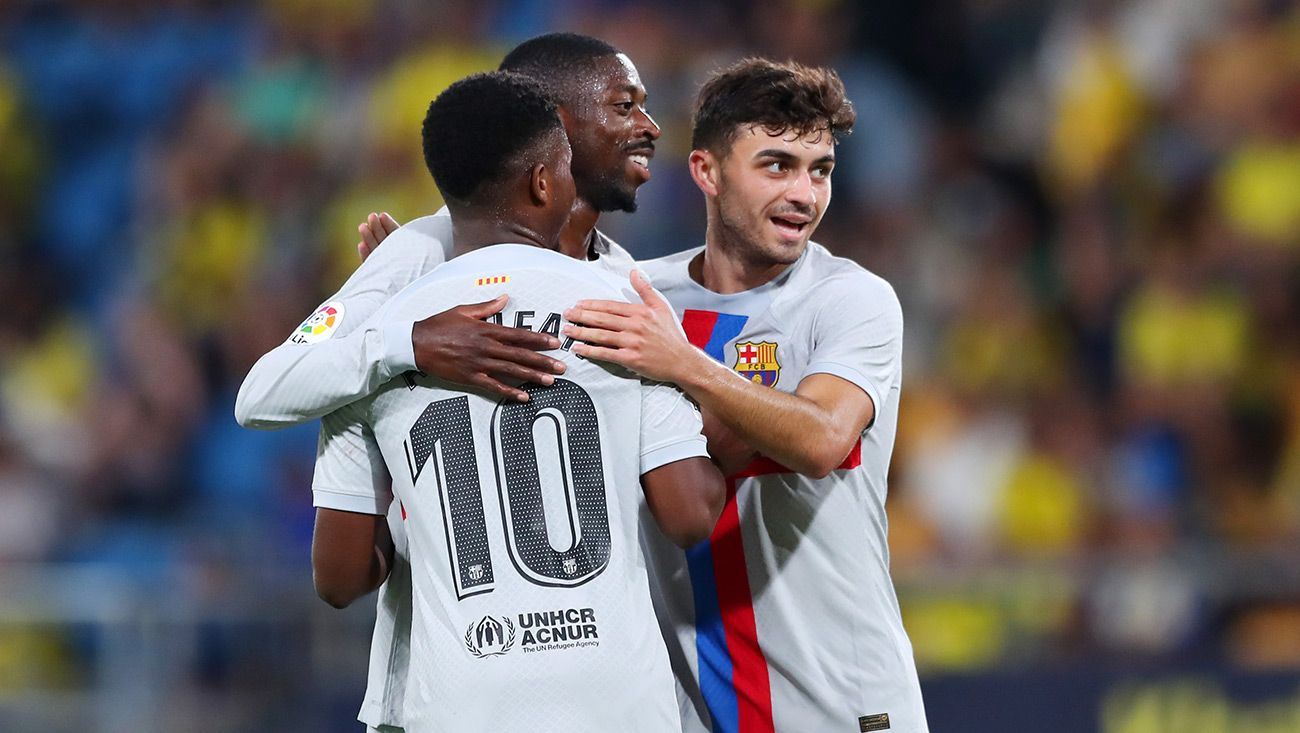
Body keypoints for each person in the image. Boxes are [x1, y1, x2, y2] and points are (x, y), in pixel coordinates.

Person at [233, 33, 670, 733]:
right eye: (624, 106)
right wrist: (406, 339)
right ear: (552, 131)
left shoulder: (623, 281)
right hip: (435, 692)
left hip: (592, 680)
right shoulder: (422, 251)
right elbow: (264, 388)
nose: (647, 128)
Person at [311, 69, 723, 732]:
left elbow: (338, 576)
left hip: (463, 705)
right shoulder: (619, 307)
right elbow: (687, 511)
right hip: (619, 703)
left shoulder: (382, 336)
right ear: (542, 182)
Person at [561, 58, 930, 732]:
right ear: (707, 171)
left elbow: (823, 438)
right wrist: (416, 264)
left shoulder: (851, 300)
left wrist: (683, 364)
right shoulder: (639, 295)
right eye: (777, 165)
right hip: (688, 706)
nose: (804, 193)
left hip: (842, 707)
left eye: (819, 170)